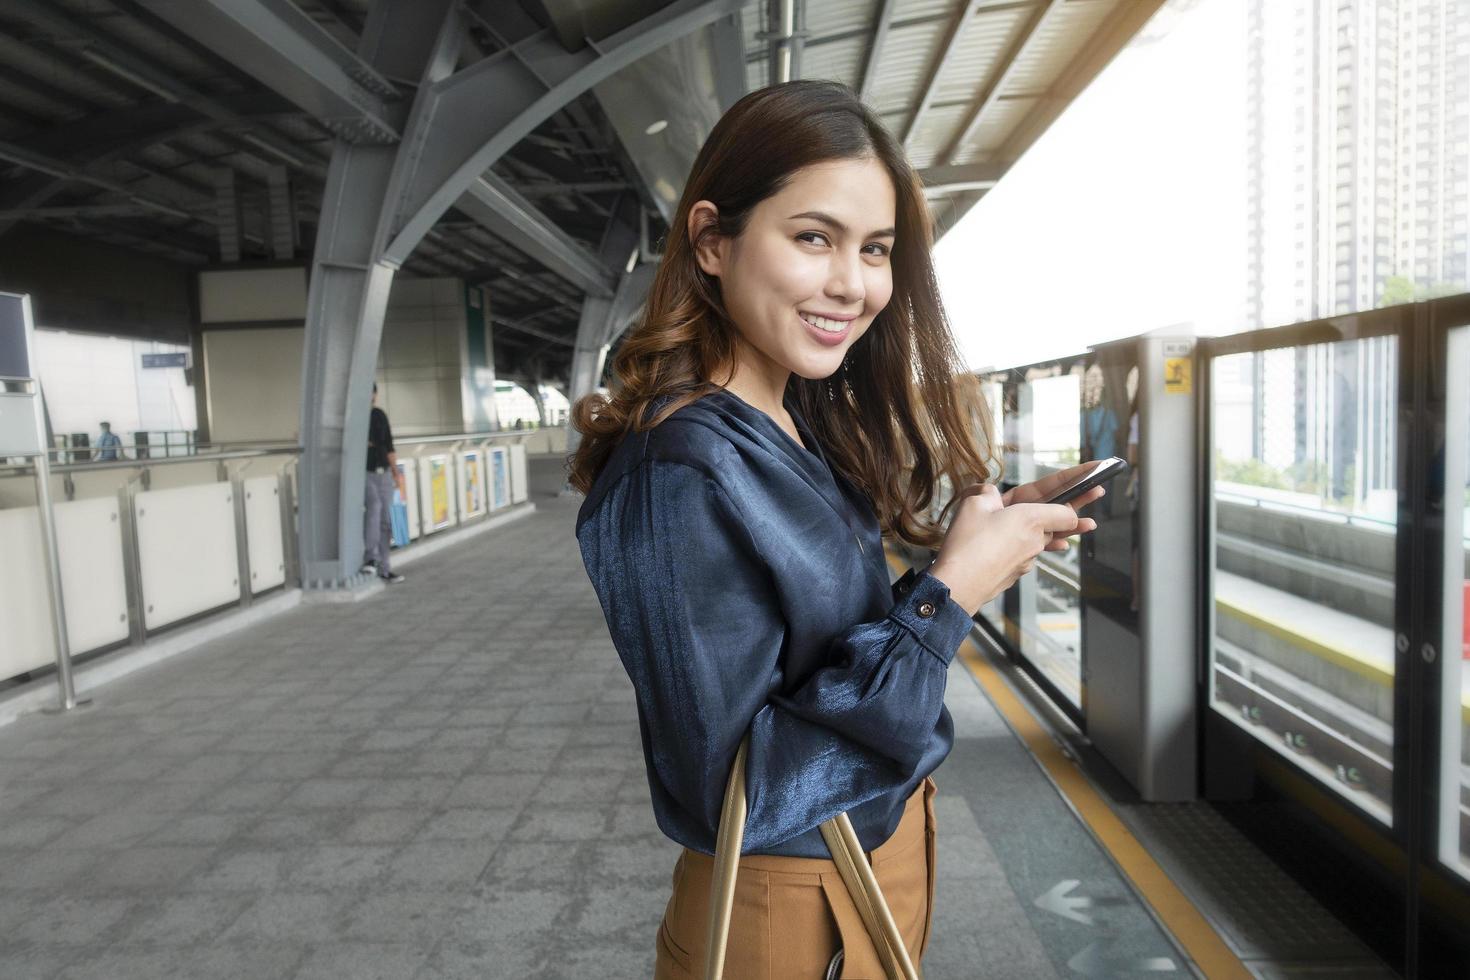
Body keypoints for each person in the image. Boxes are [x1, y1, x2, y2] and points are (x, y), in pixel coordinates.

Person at [569, 81, 1107, 977]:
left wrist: (964, 561)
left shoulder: (794, 421)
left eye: (876, 249)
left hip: (870, 866)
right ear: (712, 240)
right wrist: (949, 597)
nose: (853, 285)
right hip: (790, 903)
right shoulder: (683, 466)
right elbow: (747, 785)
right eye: (813, 237)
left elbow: (813, 660)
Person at [363, 382, 407, 585]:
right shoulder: (355, 417)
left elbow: (388, 445)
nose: (369, 396)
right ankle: (371, 557)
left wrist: (396, 473)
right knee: (375, 507)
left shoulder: (379, 416)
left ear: (374, 395)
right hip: (365, 473)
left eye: (371, 392)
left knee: (386, 521)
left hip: (384, 473)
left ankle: (385, 568)